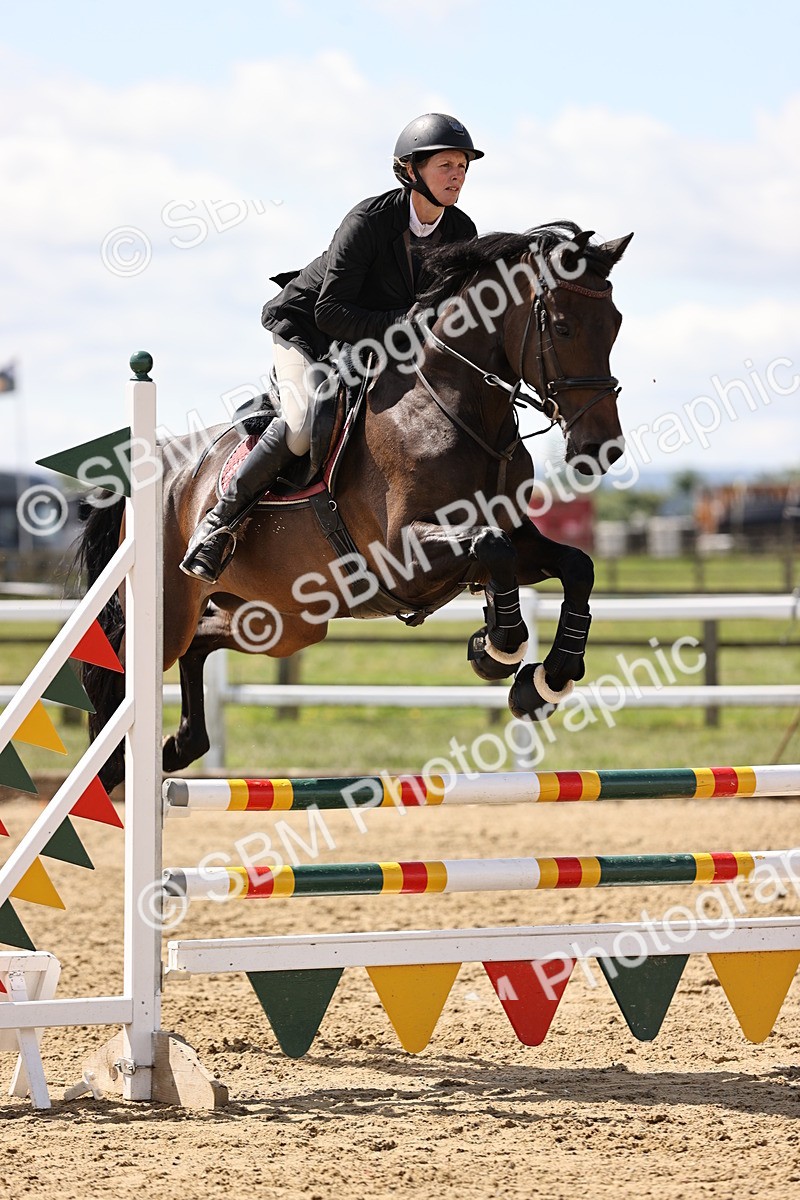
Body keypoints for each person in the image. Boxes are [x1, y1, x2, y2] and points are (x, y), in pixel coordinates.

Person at [180, 112, 483, 583]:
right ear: (410, 170)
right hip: (309, 329)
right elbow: (331, 312)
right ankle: (219, 523)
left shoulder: (461, 231)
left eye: (463, 166)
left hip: (383, 342)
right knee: (302, 424)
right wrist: (406, 324)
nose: (457, 175)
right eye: (446, 165)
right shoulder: (369, 221)